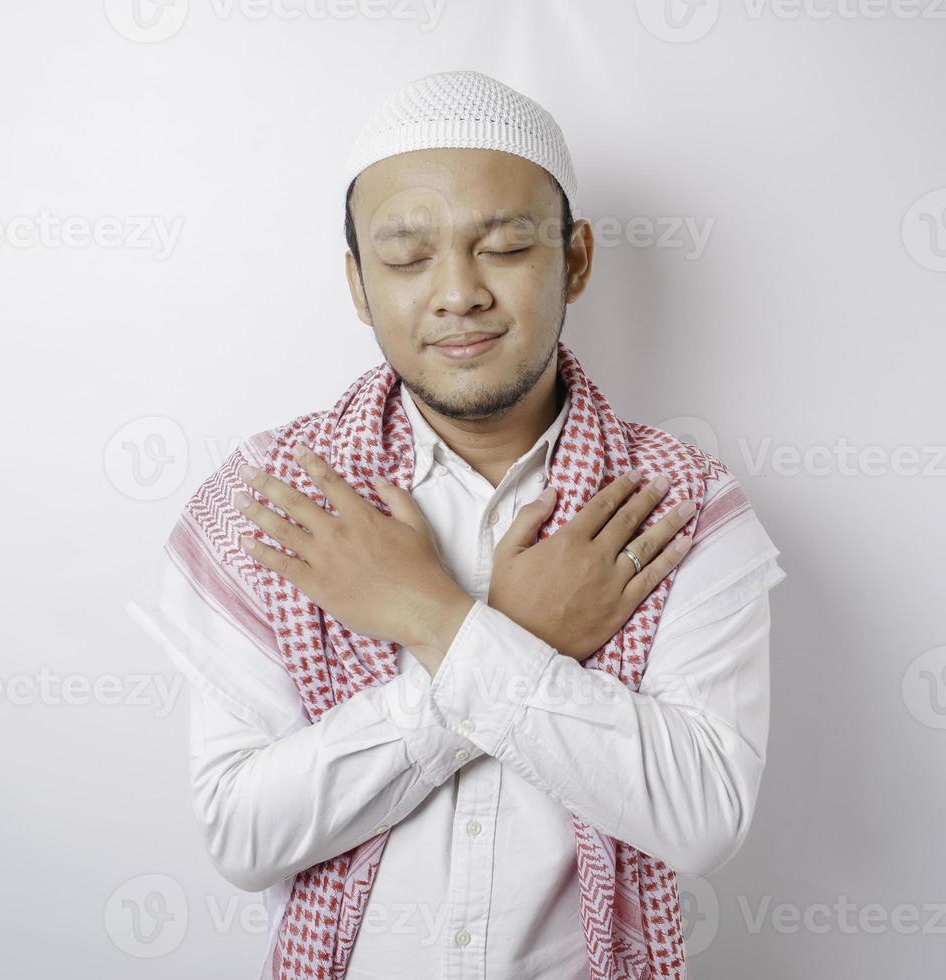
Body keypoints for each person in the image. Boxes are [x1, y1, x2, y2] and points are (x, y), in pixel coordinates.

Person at [128, 69, 785, 980]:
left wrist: (436, 621)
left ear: (577, 260)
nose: (458, 293)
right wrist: (517, 637)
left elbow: (702, 814)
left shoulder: (676, 506)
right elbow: (244, 834)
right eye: (406, 258)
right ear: (358, 284)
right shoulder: (275, 501)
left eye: (506, 247)